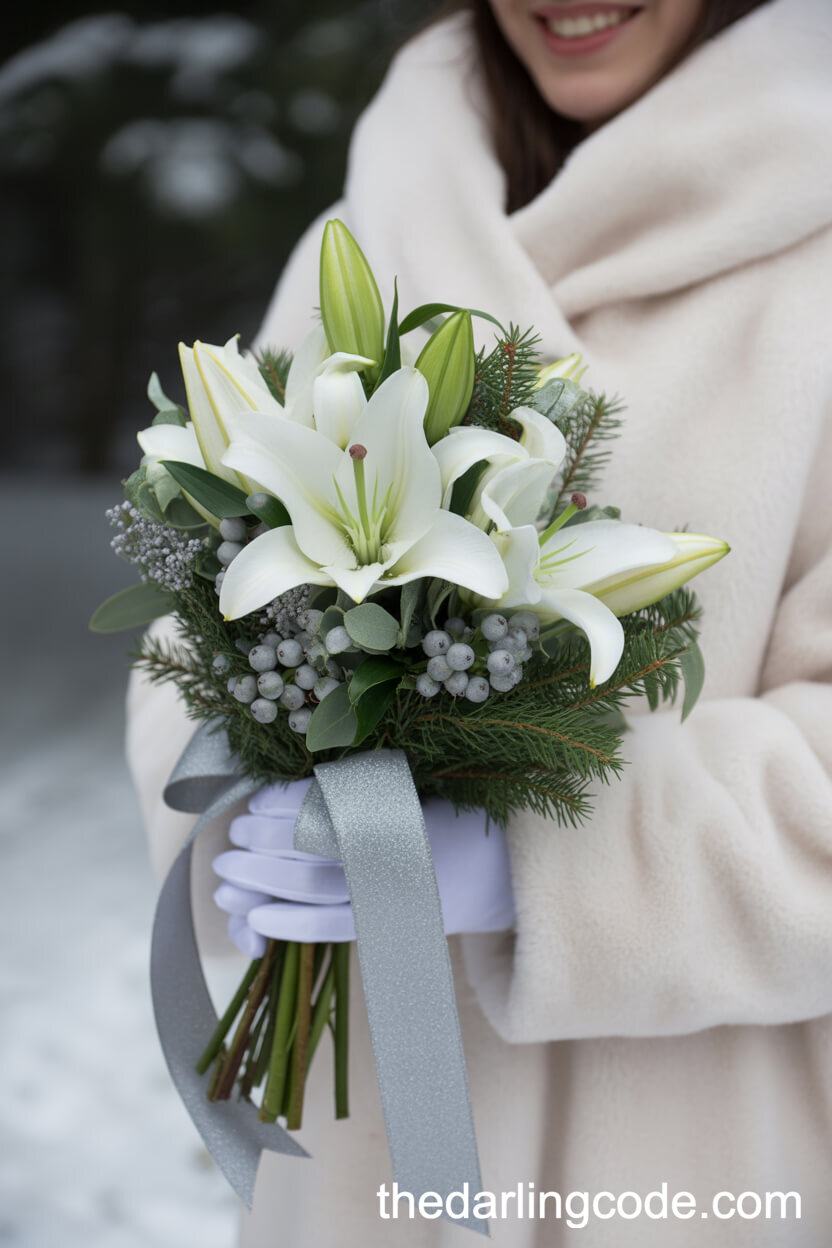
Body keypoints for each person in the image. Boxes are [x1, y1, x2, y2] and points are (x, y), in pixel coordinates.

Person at [125, 0, 832, 1242]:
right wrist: (254, 786)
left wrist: (545, 863)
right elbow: (197, 624)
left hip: (708, 1170)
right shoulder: (369, 229)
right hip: (362, 1178)